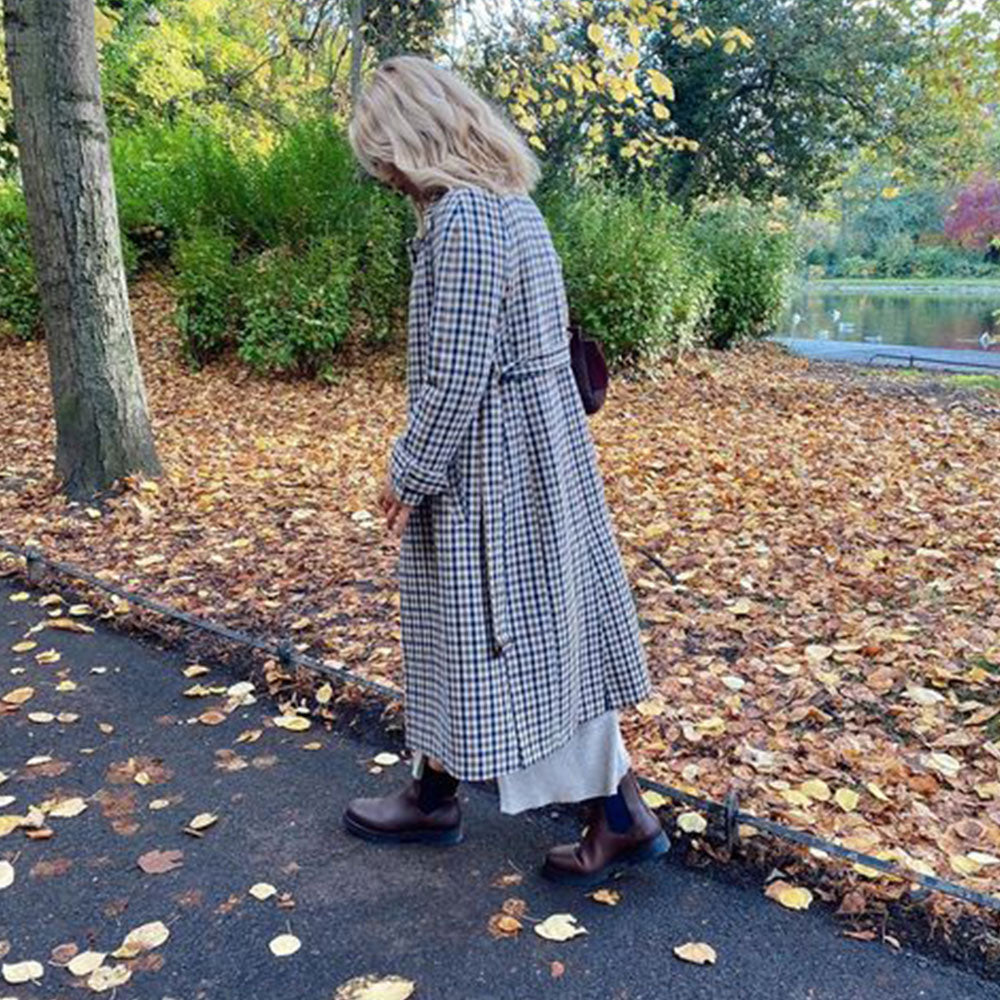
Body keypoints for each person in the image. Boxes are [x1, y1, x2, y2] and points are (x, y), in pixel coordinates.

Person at [343, 55, 669, 886]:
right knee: (502, 631)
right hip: (533, 450)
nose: (383, 174)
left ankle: (617, 811)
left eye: (383, 153)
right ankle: (435, 786)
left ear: (412, 138)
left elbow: (455, 378)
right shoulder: (510, 205)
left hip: (495, 469)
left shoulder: (463, 220)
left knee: (513, 638)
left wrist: (404, 475)